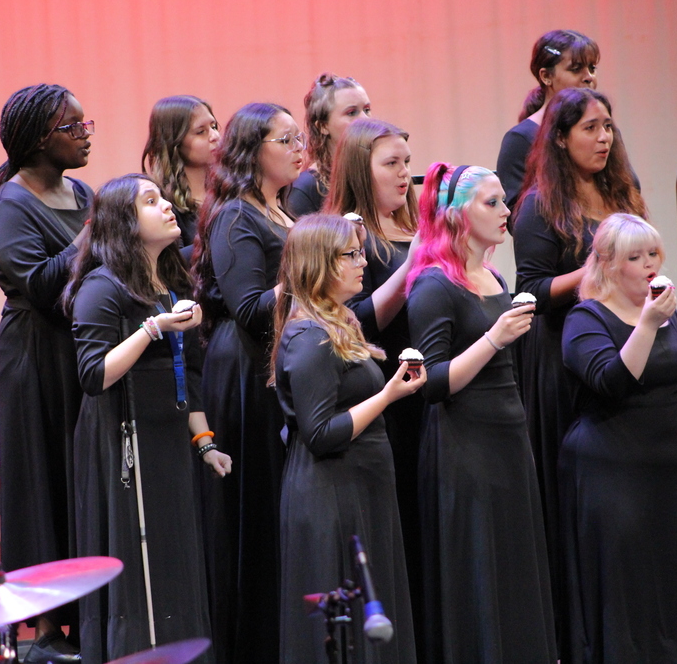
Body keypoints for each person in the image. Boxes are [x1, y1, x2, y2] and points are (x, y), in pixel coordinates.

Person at [62, 174, 231, 664]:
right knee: (137, 569)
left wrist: (204, 442)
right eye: (150, 201)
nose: (167, 207)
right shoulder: (101, 287)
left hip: (168, 445)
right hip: (122, 445)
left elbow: (187, 377)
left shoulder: (172, 284)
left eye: (163, 197)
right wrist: (151, 328)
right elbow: (94, 375)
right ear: (123, 223)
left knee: (175, 561)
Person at [511, 86, 646, 648]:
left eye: (608, 126)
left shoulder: (622, 192)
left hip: (627, 341)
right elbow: (530, 292)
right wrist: (594, 271)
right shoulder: (540, 206)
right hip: (564, 356)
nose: (603, 137)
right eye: (590, 127)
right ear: (560, 138)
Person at [406, 163, 555, 663]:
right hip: (464, 449)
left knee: (515, 567)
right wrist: (495, 338)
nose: (506, 211)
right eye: (491, 203)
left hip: (509, 439)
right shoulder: (433, 285)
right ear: (455, 214)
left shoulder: (491, 275)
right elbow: (433, 384)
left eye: (503, 200)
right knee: (480, 574)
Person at [559, 213, 677, 662]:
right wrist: (646, 325)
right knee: (626, 587)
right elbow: (611, 382)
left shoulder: (665, 311)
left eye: (653, 254)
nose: (649, 264)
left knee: (676, 583)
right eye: (635, 256)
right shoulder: (585, 318)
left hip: (668, 470)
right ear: (609, 265)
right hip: (613, 472)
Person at [273, 213, 422, 663]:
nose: (363, 262)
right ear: (319, 263)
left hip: (360, 486)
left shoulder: (340, 320)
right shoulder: (308, 336)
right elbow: (319, 434)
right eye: (351, 254)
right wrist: (389, 394)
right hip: (331, 495)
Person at [0, 83, 94, 664]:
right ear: (37, 139)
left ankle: (91, 610)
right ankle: (47, 627)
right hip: (35, 354)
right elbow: (44, 284)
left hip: (81, 348)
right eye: (71, 127)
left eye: (85, 124)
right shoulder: (11, 202)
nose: (84, 135)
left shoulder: (82, 192)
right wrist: (97, 229)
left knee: (80, 472)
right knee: (42, 476)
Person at [191, 102, 302, 663]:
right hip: (246, 373)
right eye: (286, 138)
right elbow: (251, 308)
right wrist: (315, 269)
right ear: (254, 150)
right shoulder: (237, 215)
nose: (298, 146)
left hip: (279, 367)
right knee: (254, 513)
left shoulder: (283, 210)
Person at [321, 117, 427, 651]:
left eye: (407, 162)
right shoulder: (349, 239)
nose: (405, 173)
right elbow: (353, 319)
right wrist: (419, 261)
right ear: (362, 170)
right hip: (388, 398)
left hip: (435, 398)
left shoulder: (415, 230)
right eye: (392, 164)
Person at [496, 30, 599, 208]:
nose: (589, 77)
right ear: (546, 77)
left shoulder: (603, 131)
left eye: (592, 68)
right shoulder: (521, 139)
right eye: (576, 69)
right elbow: (517, 215)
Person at [141, 95, 221, 251]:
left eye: (214, 127)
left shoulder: (229, 190)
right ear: (174, 143)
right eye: (201, 132)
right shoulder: (161, 204)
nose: (215, 136)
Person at [287, 73, 372, 217]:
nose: (365, 119)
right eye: (351, 113)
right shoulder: (305, 189)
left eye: (367, 110)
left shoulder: (373, 176)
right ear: (323, 126)